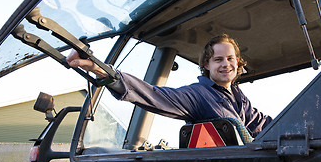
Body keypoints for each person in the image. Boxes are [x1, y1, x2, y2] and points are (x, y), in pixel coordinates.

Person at [67, 34, 272, 138]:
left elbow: (262, 124)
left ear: (237, 62)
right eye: (218, 59)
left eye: (230, 58)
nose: (226, 64)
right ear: (206, 65)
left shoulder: (239, 98)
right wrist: (100, 70)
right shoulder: (198, 94)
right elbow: (154, 95)